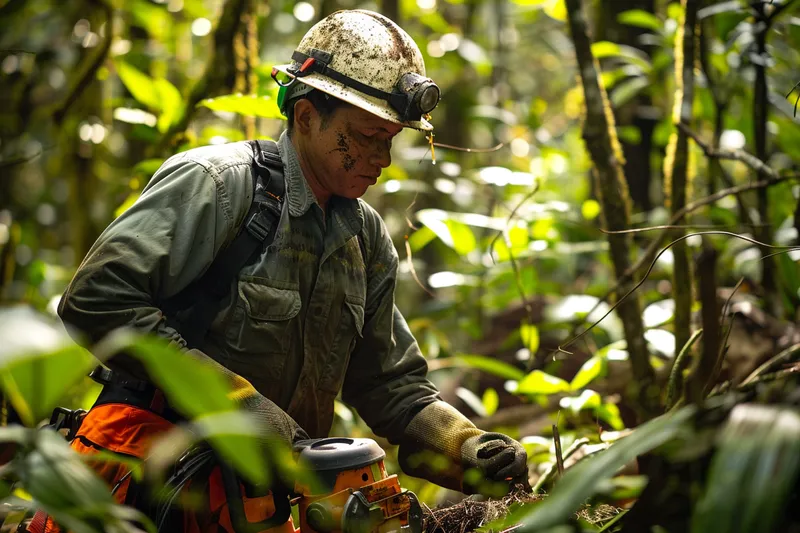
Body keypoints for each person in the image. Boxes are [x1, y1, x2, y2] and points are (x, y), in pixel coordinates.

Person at [42, 9, 528, 532]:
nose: (381, 158)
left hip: (260, 507)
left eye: (390, 139)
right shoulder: (221, 185)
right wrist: (236, 403)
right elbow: (96, 299)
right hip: (144, 484)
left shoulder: (364, 237)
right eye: (366, 135)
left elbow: (390, 386)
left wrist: (466, 446)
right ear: (305, 116)